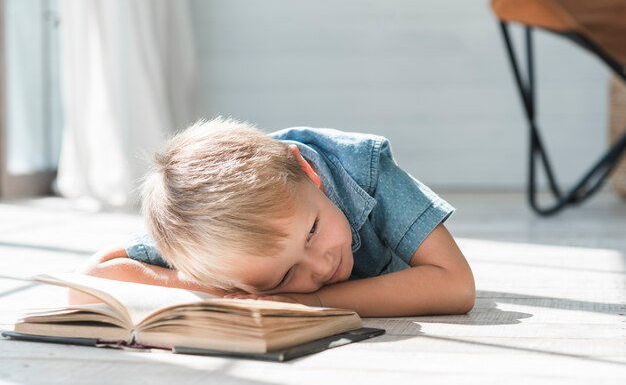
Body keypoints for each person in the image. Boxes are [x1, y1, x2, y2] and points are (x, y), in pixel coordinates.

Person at [72, 117, 475, 317]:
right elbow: (93, 276)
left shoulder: (364, 169)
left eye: (313, 231)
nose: (321, 266)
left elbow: (456, 286)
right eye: (283, 276)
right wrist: (229, 289)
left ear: (308, 171)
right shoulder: (207, 232)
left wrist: (312, 298)